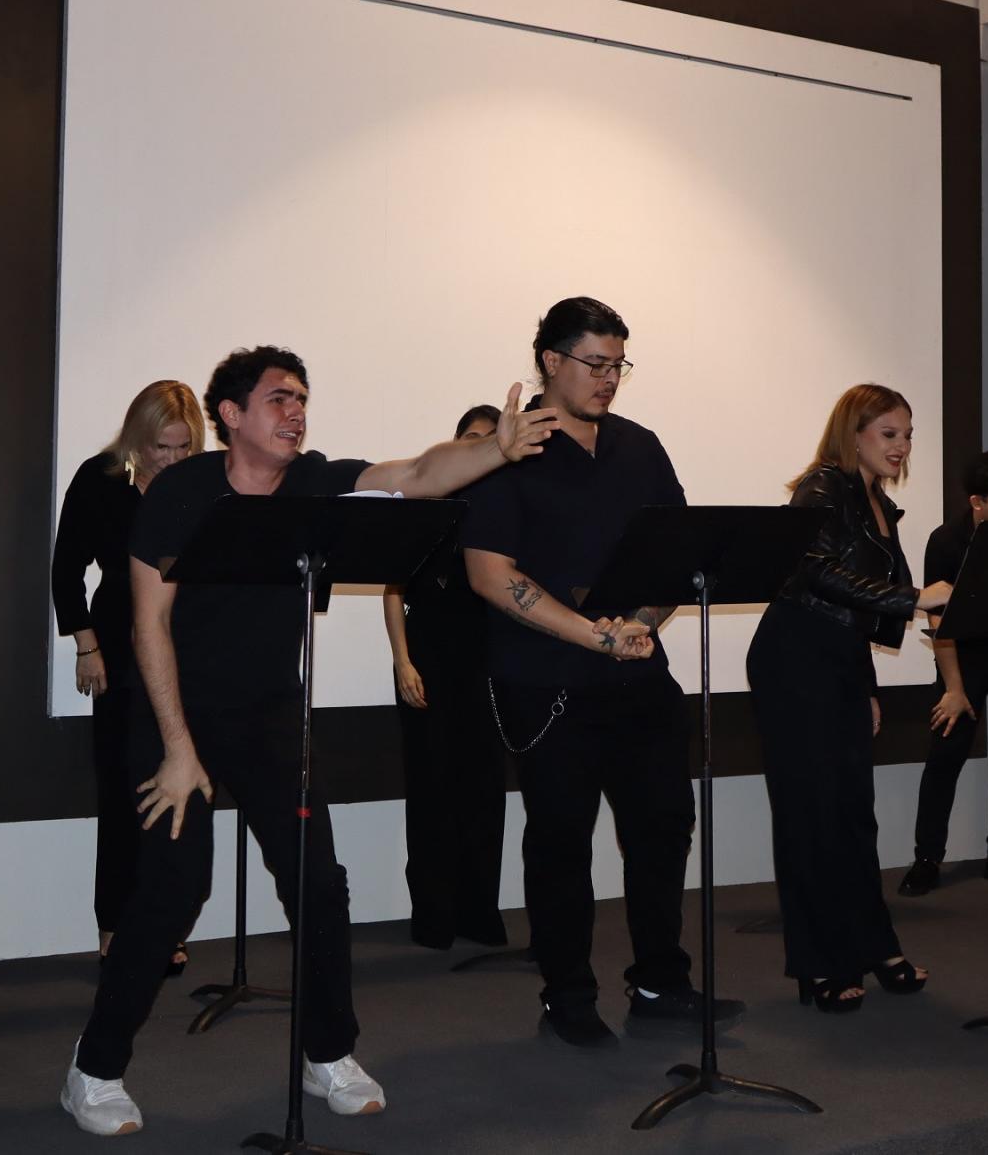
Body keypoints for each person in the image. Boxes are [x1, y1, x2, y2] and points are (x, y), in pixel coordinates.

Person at [62, 345, 557, 1135]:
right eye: (279, 398)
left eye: (303, 399)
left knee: (318, 883)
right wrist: (179, 749)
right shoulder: (180, 491)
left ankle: (329, 1051)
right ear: (230, 415)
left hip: (267, 717)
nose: (296, 412)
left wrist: (493, 449)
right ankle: (94, 1066)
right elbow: (147, 624)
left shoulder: (314, 480)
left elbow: (415, 473)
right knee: (171, 892)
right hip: (170, 713)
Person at [461, 297, 712, 1049]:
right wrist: (591, 637)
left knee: (663, 826)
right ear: (550, 360)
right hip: (547, 686)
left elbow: (677, 551)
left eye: (618, 365)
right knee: (562, 841)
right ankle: (566, 993)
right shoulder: (511, 449)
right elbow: (487, 572)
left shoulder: (640, 445)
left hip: (639, 674)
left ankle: (662, 976)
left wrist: (639, 626)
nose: (609, 380)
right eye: (595, 364)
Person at [745, 383, 950, 1011]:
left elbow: (852, 610)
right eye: (888, 433)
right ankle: (818, 963)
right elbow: (817, 573)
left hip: (836, 662)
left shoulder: (876, 500)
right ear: (852, 433)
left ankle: (873, 943)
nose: (902, 445)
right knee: (811, 818)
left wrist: (865, 685)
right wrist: (912, 599)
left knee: (854, 815)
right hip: (794, 660)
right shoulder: (823, 486)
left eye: (908, 434)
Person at [52, 379, 202, 972]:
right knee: (121, 794)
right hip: (115, 648)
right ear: (139, 437)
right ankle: (114, 923)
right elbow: (67, 568)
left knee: (176, 791)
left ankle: (164, 925)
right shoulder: (100, 478)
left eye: (183, 448)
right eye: (162, 447)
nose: (170, 459)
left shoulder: (201, 487)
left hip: (183, 648)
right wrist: (86, 647)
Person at [382, 403, 509, 950]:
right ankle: (433, 918)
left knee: (483, 793)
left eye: (489, 441)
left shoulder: (502, 517)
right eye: (470, 440)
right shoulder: (422, 512)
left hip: (484, 669)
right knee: (430, 793)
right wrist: (402, 661)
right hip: (425, 668)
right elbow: (392, 592)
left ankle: (479, 914)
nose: (477, 451)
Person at [900, 449, 988, 896]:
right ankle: (927, 857)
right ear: (977, 501)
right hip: (964, 657)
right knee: (945, 757)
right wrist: (954, 688)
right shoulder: (946, 542)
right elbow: (938, 624)